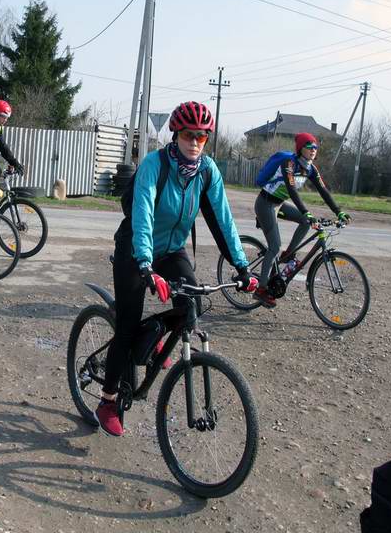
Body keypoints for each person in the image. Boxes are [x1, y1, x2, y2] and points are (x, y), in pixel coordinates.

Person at [96, 101, 254, 437]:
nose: (194, 142)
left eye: (201, 136)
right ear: (175, 134)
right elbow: (142, 214)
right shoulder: (155, 164)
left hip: (171, 249)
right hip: (136, 248)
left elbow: (222, 220)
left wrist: (241, 266)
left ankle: (154, 340)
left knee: (191, 305)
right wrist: (144, 264)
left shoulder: (207, 171)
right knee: (126, 326)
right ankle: (108, 400)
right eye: (187, 134)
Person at [253, 132, 351, 308]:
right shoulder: (289, 163)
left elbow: (324, 191)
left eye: (315, 147)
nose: (313, 150)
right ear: (300, 149)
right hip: (265, 204)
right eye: (309, 147)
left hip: (279, 204)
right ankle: (261, 289)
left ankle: (288, 254)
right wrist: (305, 211)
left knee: (306, 222)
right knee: (274, 246)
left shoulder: (311, 168)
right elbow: (292, 190)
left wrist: (339, 212)